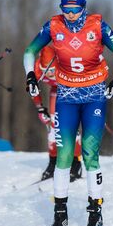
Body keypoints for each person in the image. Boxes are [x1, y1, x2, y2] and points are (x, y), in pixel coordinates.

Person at [23, 0, 113, 226]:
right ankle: (60, 215)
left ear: (83, 7)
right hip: (66, 97)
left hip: (94, 96)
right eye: (66, 9)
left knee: (91, 154)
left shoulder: (98, 26)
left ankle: (96, 213)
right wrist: (30, 75)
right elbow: (29, 51)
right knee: (64, 156)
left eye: (74, 9)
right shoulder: (53, 26)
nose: (70, 14)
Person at [32, 44, 83, 182]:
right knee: (53, 127)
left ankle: (76, 163)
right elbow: (33, 89)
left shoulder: (66, 64)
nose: (49, 73)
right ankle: (53, 162)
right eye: (45, 70)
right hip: (56, 90)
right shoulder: (36, 68)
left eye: (52, 70)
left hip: (73, 89)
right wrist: (40, 108)